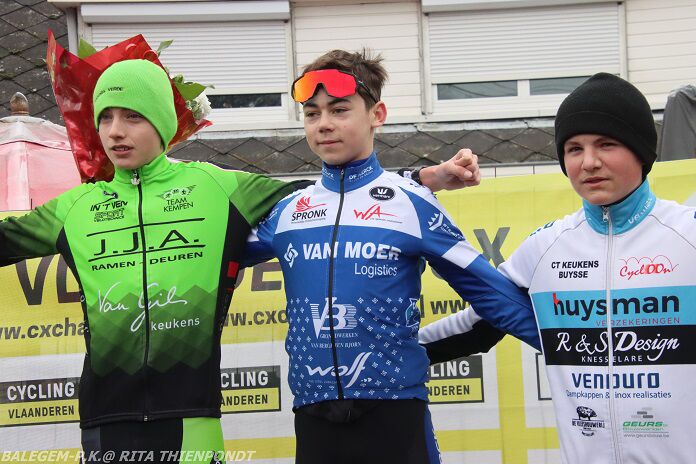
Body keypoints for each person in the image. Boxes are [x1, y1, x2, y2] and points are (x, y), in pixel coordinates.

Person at [243, 49, 540, 464]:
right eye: (312, 114)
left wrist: (582, 350)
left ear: (377, 115)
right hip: (313, 415)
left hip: (395, 411)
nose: (324, 123)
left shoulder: (411, 203)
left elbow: (492, 293)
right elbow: (206, 257)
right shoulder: (288, 211)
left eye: (339, 110)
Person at [0, 59, 301, 463]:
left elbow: (323, 204)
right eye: (105, 117)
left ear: (162, 123)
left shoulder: (218, 187)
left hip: (191, 416)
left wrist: (408, 182)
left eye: (133, 116)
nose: (115, 131)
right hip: (106, 419)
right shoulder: (76, 208)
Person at [418, 73, 696, 464]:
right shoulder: (547, 246)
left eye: (607, 144)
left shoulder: (688, 233)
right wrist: (385, 354)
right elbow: (477, 325)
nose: (589, 162)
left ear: (641, 151)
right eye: (574, 148)